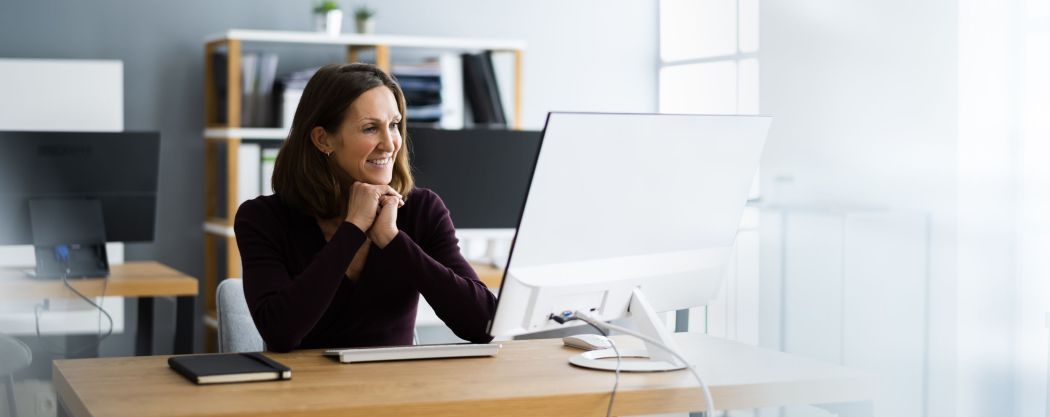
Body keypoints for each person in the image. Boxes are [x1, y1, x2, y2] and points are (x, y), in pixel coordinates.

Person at [233, 63, 496, 352]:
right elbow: (280, 333)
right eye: (370, 128)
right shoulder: (262, 218)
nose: (390, 144)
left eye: (394, 125)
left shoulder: (422, 209)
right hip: (304, 382)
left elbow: (483, 324)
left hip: (394, 382)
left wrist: (393, 239)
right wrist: (353, 228)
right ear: (323, 139)